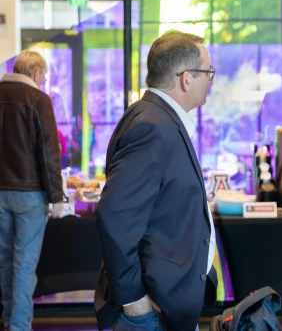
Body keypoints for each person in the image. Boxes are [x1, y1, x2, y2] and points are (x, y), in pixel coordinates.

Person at [94, 30, 218, 331]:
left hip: (165, 303)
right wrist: (133, 298)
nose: (211, 80)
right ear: (187, 79)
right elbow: (115, 216)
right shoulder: (153, 126)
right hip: (149, 312)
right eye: (209, 72)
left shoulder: (155, 116)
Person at [0, 50, 65, 331]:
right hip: (30, 194)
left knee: (4, 261)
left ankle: (7, 318)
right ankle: (19, 327)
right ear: (37, 74)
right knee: (24, 265)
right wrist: (57, 196)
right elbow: (49, 151)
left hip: (0, 192)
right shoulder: (39, 100)